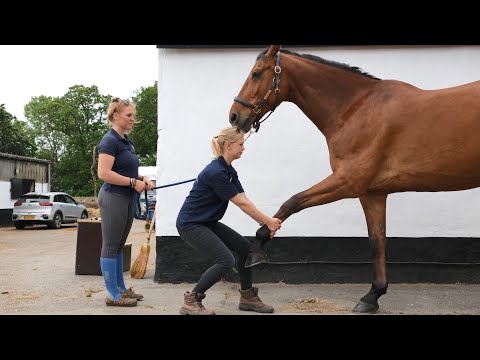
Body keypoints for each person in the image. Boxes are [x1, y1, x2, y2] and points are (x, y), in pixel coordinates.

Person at [176, 126, 282, 315]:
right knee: (225, 260)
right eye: (241, 144)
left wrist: (264, 222)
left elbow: (244, 197)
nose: (243, 148)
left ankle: (247, 297)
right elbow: (240, 203)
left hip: (207, 222)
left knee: (244, 248)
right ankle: (192, 300)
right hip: (191, 225)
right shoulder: (216, 172)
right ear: (228, 145)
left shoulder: (228, 170)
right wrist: (267, 222)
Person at [97, 97, 155, 307]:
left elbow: (125, 171)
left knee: (119, 246)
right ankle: (112, 294)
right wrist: (133, 182)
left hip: (126, 197)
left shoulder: (127, 142)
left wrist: (141, 179)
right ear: (116, 116)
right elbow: (104, 173)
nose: (133, 119)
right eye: (129, 115)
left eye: (133, 115)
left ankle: (121, 289)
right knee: (111, 246)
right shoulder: (109, 140)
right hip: (113, 197)